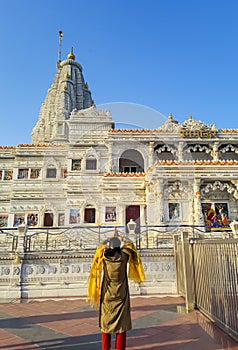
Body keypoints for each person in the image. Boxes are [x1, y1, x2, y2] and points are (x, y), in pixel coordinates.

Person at [87, 234, 145, 350]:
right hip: (121, 294)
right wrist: (122, 238)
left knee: (106, 323)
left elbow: (99, 247)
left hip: (107, 294)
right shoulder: (124, 256)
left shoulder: (104, 256)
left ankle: (105, 348)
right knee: (121, 325)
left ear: (109, 247)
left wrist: (107, 240)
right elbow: (131, 246)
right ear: (119, 247)